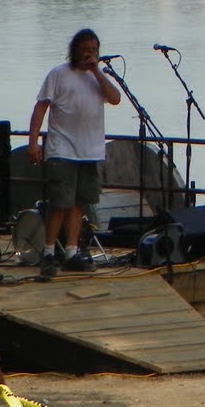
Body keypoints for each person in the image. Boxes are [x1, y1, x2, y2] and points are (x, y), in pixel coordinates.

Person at [27, 28, 121, 278]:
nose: (89, 54)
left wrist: (96, 72)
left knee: (80, 204)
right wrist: (34, 142)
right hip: (62, 148)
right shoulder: (59, 74)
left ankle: (71, 251)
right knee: (59, 203)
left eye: (93, 50)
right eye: (85, 50)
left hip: (89, 150)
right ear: (75, 51)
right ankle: (48, 253)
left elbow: (115, 99)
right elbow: (40, 108)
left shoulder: (97, 78)